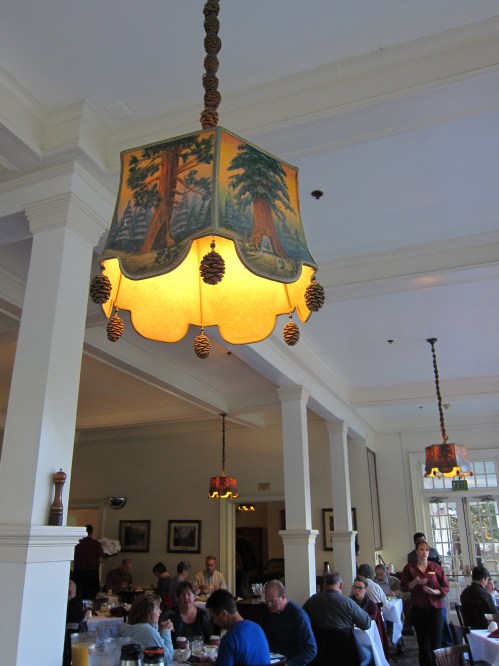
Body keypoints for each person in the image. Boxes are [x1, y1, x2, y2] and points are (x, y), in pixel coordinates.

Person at [400, 539, 449, 666]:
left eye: (426, 550)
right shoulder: (409, 568)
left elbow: (445, 586)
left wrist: (434, 592)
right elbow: (404, 587)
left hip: (435, 609)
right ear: (416, 551)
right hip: (418, 610)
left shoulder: (435, 567)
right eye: (421, 549)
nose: (424, 552)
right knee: (423, 645)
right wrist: (414, 582)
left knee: (436, 645)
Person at [206, 589, 270, 666]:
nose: (214, 622)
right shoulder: (257, 628)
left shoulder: (229, 639)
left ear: (223, 614)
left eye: (213, 617)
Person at [261, 580, 317, 666]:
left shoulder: (298, 616)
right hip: (272, 658)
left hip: (291, 660)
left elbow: (311, 649)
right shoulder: (268, 612)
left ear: (283, 597)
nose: (269, 605)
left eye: (272, 601)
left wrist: (288, 664)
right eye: (267, 601)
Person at [303, 571, 371, 632]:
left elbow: (301, 619)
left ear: (325, 584)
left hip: (318, 641)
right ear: (341, 585)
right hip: (344, 641)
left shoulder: (312, 600)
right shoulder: (348, 603)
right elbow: (366, 624)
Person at [121, 593, 174, 664]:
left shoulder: (129, 627)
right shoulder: (146, 631)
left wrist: (160, 629)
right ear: (148, 612)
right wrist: (166, 631)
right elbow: (167, 659)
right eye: (157, 608)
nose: (160, 611)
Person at [350, 576, 390, 660]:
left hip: (368, 636)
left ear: (366, 589)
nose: (357, 590)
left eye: (360, 588)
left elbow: (372, 619)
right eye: (355, 587)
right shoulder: (349, 602)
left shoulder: (371, 605)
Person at [73, 524, 104, 599]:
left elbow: (72, 559)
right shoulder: (96, 544)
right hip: (92, 574)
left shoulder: (77, 543)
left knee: (79, 593)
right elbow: (100, 559)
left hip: (78, 572)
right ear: (92, 532)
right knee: (92, 595)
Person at [236, 530, 256, 598]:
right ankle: (247, 596)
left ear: (238, 535)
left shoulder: (238, 544)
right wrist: (254, 567)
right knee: (246, 583)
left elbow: (238, 556)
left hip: (242, 566)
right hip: (249, 566)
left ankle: (243, 598)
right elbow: (253, 555)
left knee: (241, 584)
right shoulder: (248, 543)